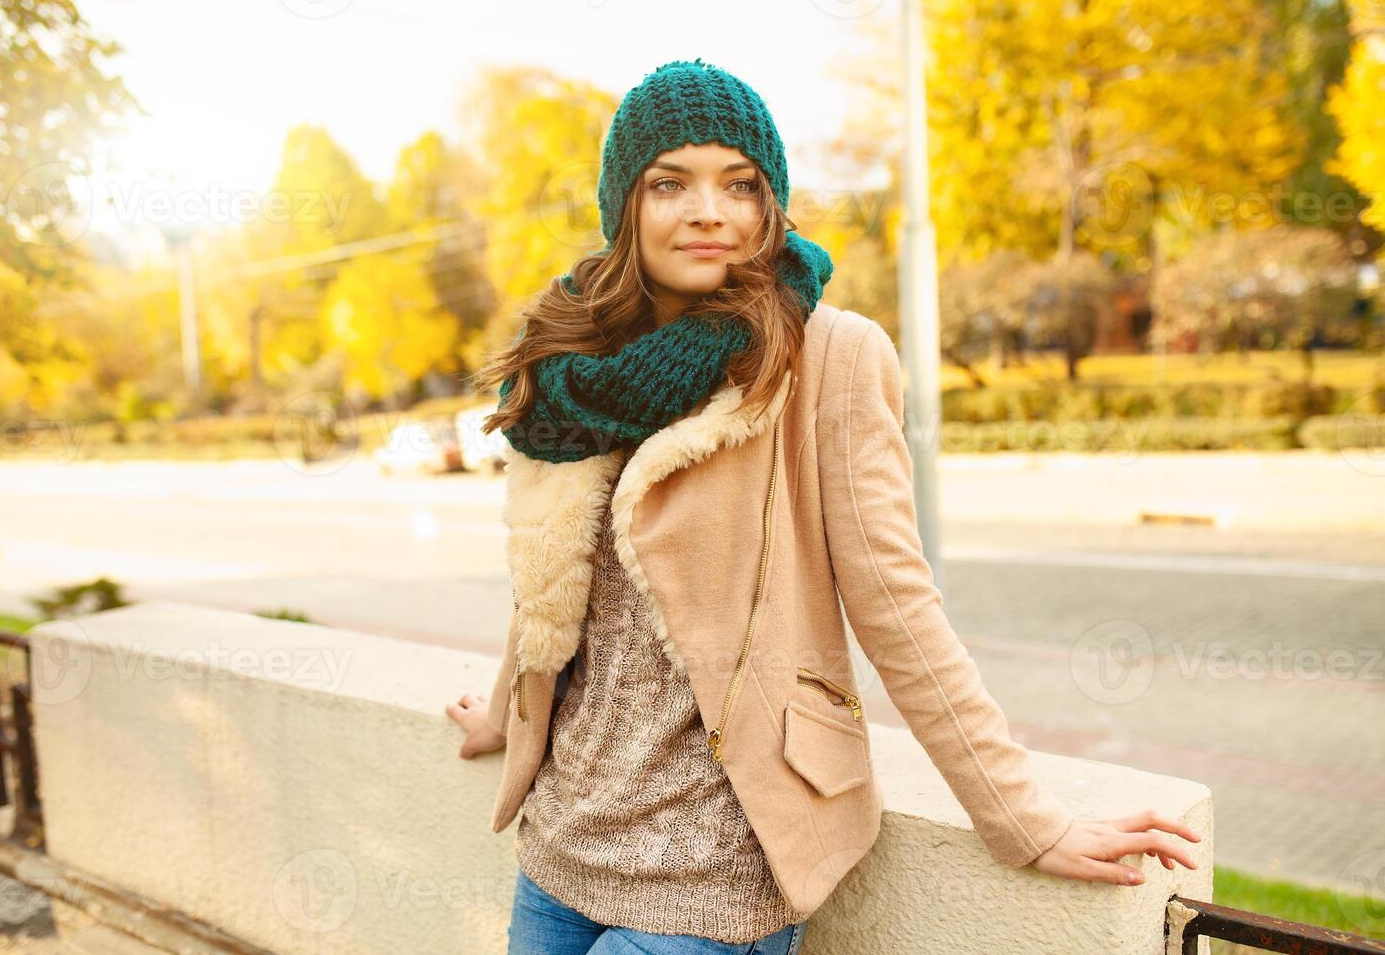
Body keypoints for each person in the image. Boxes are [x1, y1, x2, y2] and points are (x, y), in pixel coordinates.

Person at [448, 58, 1200, 955]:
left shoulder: (828, 356)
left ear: (771, 205)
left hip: (720, 869)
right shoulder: (580, 364)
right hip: (562, 847)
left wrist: (1026, 818)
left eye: (740, 184)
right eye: (668, 183)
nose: (707, 211)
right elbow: (554, 585)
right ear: (624, 208)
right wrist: (506, 713)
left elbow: (899, 609)